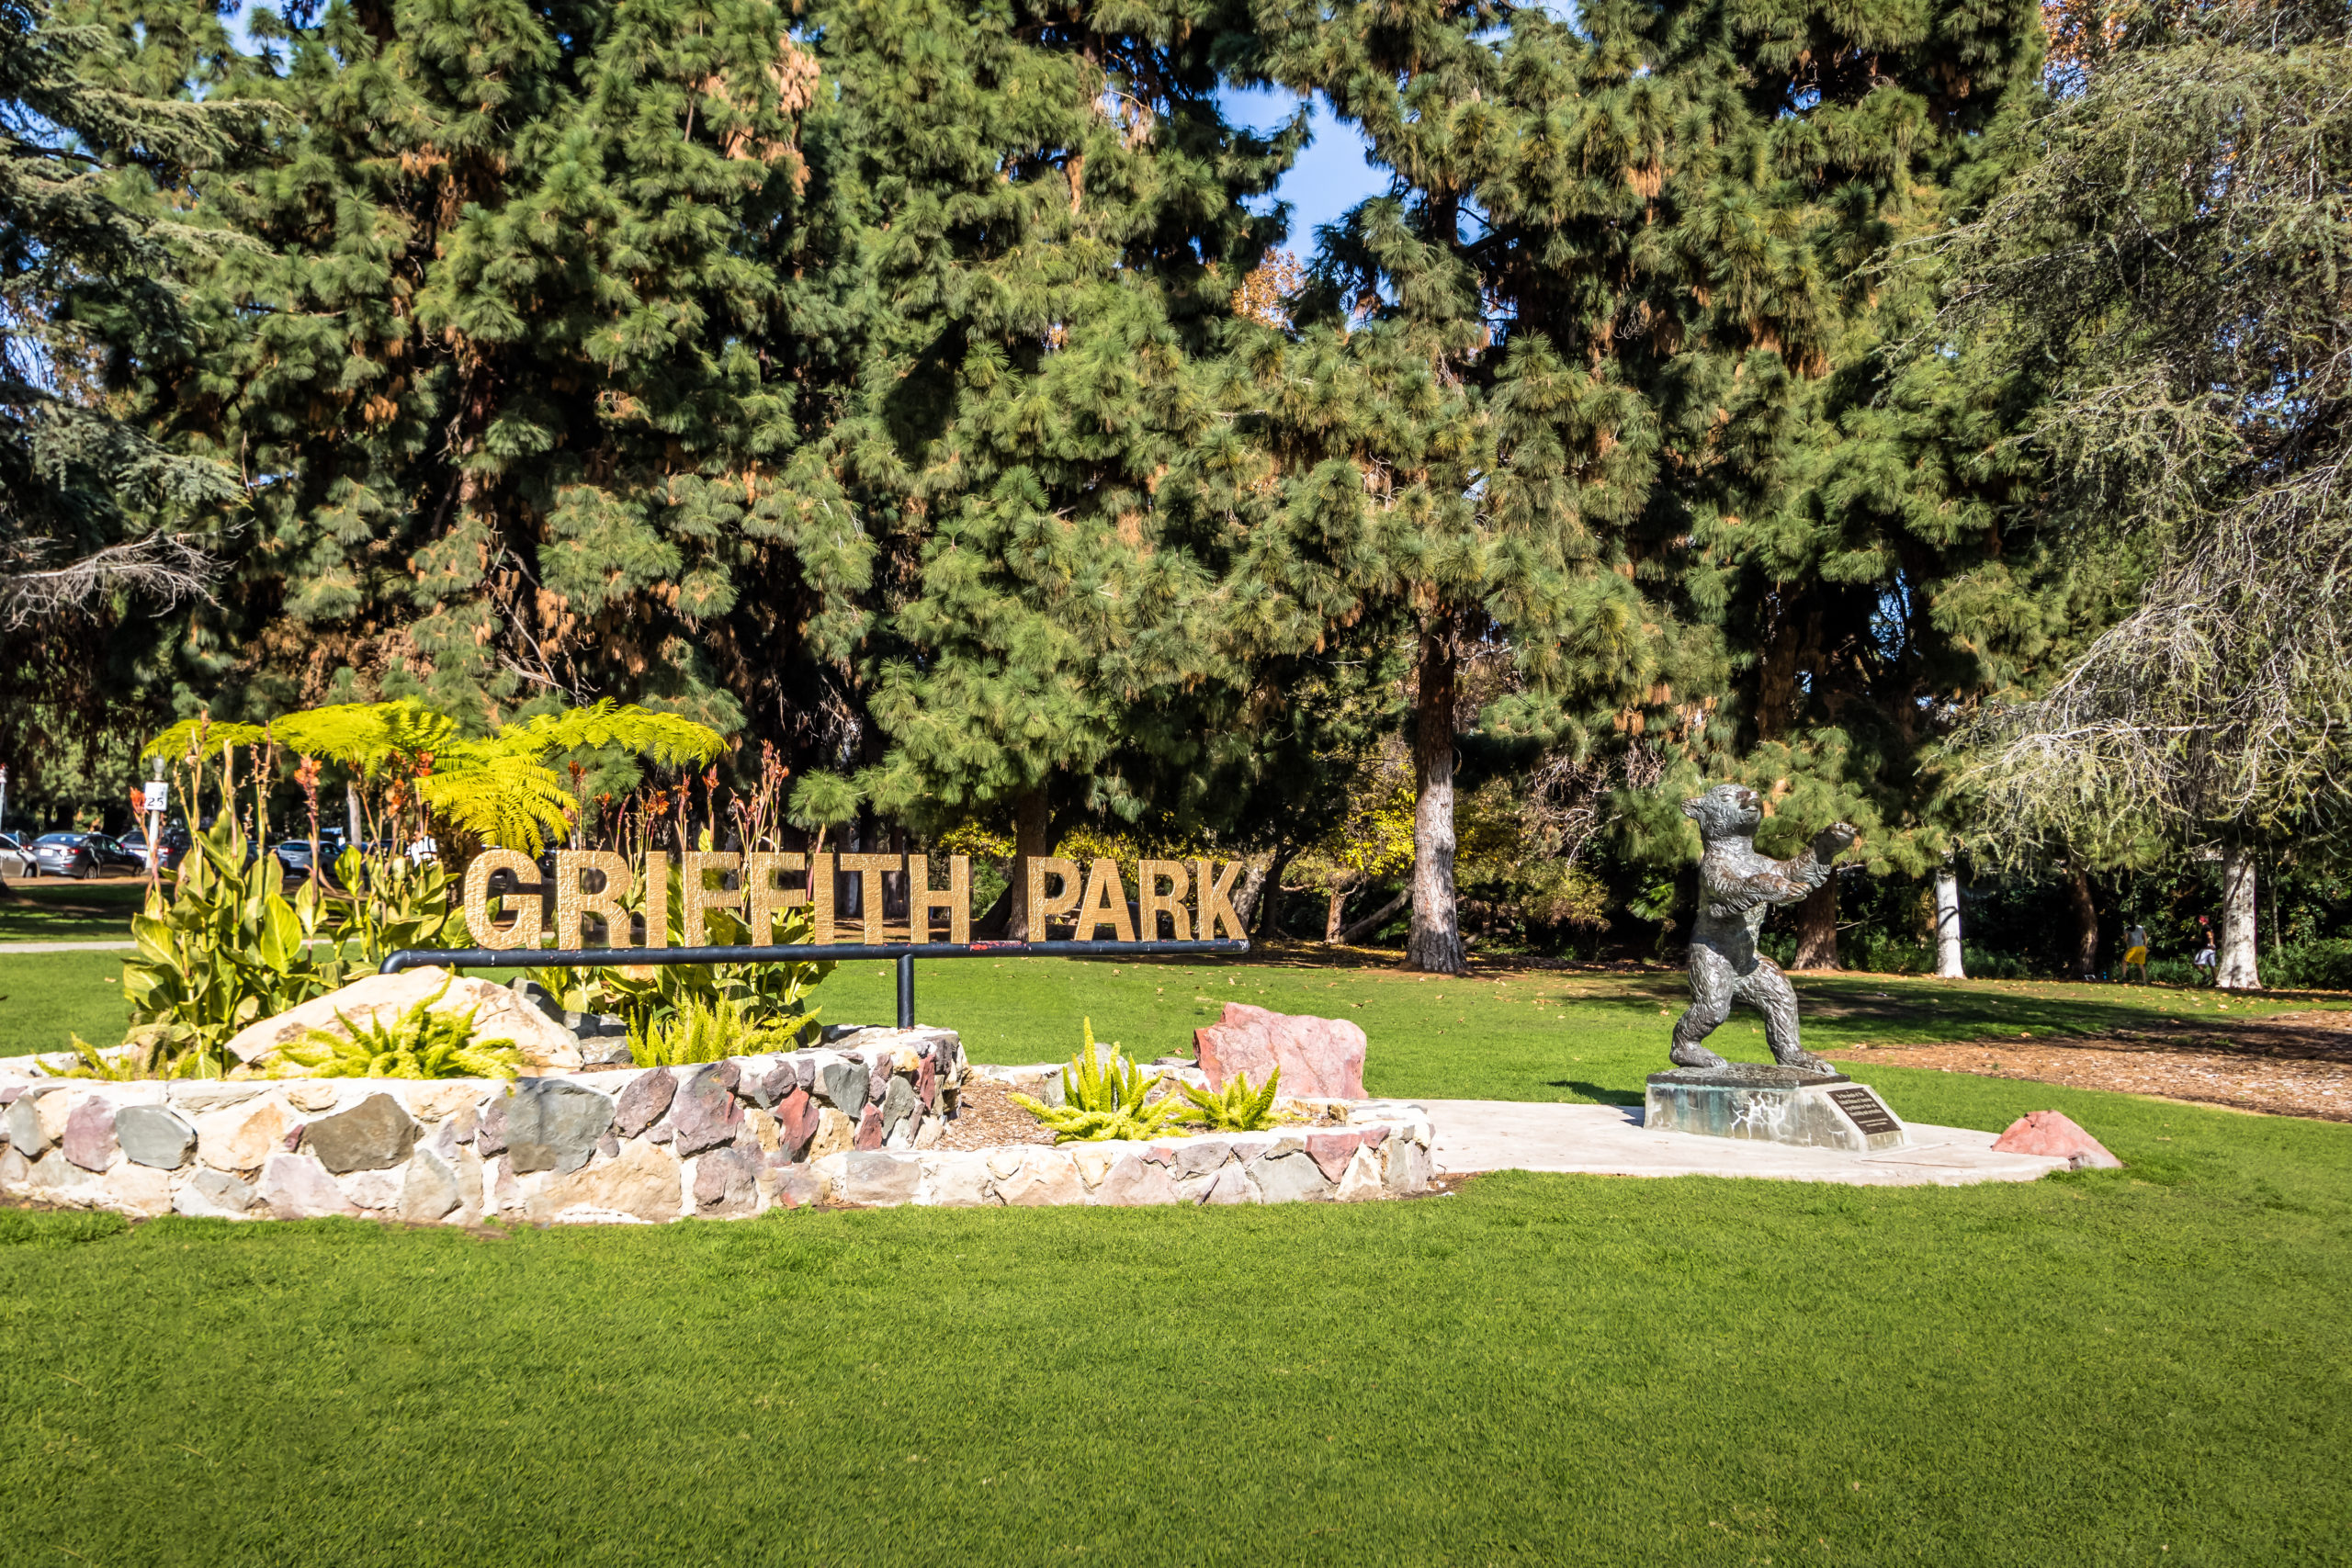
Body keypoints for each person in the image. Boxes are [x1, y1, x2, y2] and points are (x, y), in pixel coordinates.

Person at [2121, 920, 2150, 984]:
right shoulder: (2140, 927)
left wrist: (2125, 940)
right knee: (2141, 965)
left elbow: (2125, 939)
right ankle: (2144, 981)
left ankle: (2124, 976)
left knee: (2124, 961)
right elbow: (2145, 937)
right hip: (2141, 948)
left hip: (2133, 948)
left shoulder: (2127, 929)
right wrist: (2145, 946)